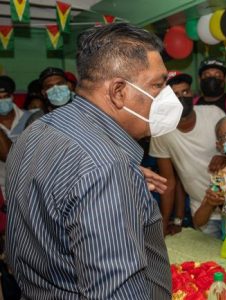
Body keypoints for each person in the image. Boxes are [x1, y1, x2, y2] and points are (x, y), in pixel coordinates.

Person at [6, 23, 178, 299]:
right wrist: (114, 178)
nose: (166, 97)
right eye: (157, 85)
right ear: (119, 91)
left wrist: (125, 179)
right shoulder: (105, 167)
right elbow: (116, 291)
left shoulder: (39, 130)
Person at [150, 70, 226, 238]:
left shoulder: (213, 113)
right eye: (175, 94)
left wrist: (225, 155)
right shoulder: (161, 131)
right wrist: (167, 222)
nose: (182, 97)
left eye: (185, 92)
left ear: (192, 93)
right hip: (202, 211)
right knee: (209, 263)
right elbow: (168, 182)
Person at [0, 76, 42, 195]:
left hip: (33, 191)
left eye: (5, 97)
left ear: (12, 97)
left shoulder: (31, 118)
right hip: (4, 194)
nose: (2, 101)